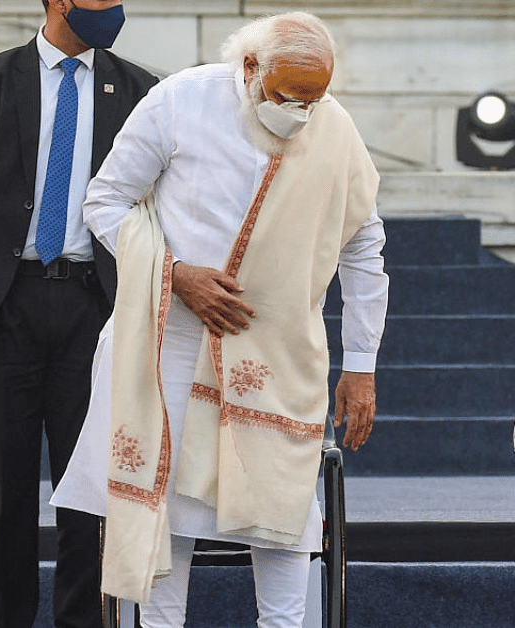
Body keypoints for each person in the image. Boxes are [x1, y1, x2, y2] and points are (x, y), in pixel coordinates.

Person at [49, 11, 388, 628]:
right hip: (171, 346)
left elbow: (364, 246)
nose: (301, 114)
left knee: (283, 524)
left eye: (315, 99)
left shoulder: (332, 129)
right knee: (168, 522)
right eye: (288, 97)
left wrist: (360, 365)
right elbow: (105, 201)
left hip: (280, 356)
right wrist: (175, 274)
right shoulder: (182, 100)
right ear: (251, 67)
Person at [0, 1, 155, 626]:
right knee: (2, 507)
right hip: (3, 313)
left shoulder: (140, 90)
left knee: (89, 506)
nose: (112, 8)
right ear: (56, 2)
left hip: (94, 312)